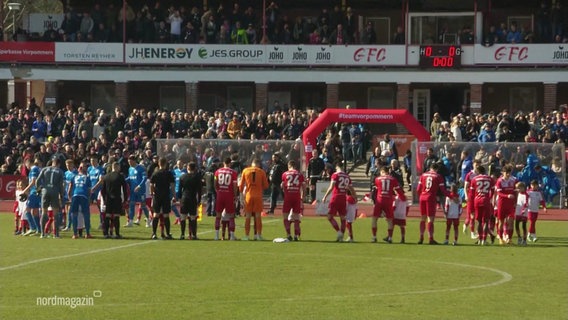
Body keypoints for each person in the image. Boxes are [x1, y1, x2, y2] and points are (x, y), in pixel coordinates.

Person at [322, 161, 357, 242]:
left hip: (335, 197)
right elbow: (351, 188)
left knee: (330, 216)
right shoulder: (347, 176)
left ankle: (339, 232)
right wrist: (355, 196)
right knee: (342, 218)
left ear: (336, 166)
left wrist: (325, 196)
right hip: (343, 198)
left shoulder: (335, 175)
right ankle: (341, 237)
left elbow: (331, 187)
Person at [416, 162, 450, 244]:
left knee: (423, 218)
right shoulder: (438, 176)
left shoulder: (423, 175)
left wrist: (419, 196)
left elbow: (418, 189)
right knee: (430, 219)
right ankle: (431, 238)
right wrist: (452, 195)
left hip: (422, 197)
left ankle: (421, 237)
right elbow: (443, 190)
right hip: (430, 197)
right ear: (437, 169)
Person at [372, 166, 406, 243]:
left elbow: (375, 190)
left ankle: (374, 237)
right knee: (390, 220)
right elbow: (398, 190)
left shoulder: (377, 179)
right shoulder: (393, 179)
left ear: (382, 171)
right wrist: (403, 198)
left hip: (379, 200)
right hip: (388, 200)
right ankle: (390, 238)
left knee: (374, 219)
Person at [239, 158, 269, 241]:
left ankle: (246, 236)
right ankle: (258, 235)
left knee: (248, 216)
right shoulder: (261, 172)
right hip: (258, 196)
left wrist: (242, 193)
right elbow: (266, 186)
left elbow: (241, 186)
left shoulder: (245, 170)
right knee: (258, 216)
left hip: (249, 196)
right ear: (258, 164)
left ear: (252, 163)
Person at [36, 157, 65, 238]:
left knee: (44, 212)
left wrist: (38, 190)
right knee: (56, 213)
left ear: (52, 162)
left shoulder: (44, 169)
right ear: (58, 164)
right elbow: (60, 185)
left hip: (45, 191)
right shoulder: (59, 171)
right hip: (54, 192)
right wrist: (61, 195)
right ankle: (56, 234)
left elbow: (38, 180)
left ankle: (42, 234)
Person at [100, 161, 129, 239]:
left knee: (107, 215)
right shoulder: (120, 176)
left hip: (108, 199)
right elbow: (124, 189)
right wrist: (125, 199)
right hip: (117, 198)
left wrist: (104, 199)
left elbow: (103, 190)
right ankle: (117, 233)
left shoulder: (106, 176)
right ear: (117, 167)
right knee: (116, 215)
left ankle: (106, 233)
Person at [150, 157, 175, 240]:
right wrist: (174, 195)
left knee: (156, 214)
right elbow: (172, 186)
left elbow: (151, 184)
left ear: (159, 163)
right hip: (166, 195)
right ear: (165, 164)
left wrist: (152, 193)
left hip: (157, 195)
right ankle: (167, 234)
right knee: (166, 215)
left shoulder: (155, 173)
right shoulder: (168, 173)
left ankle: (154, 233)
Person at [214, 157, 239, 241]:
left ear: (223, 163)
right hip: (229, 195)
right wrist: (235, 195)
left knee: (218, 216)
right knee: (231, 216)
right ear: (230, 163)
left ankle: (216, 236)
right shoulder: (233, 173)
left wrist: (218, 191)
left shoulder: (217, 172)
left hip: (220, 194)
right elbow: (235, 185)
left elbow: (215, 183)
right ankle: (231, 236)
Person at [469, 166, 494, 246]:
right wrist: (489, 197)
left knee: (479, 221)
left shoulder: (474, 179)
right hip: (486, 200)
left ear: (478, 171)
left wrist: (471, 206)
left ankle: (480, 239)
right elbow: (493, 190)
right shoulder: (490, 179)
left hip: (477, 200)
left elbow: (471, 194)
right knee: (486, 221)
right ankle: (484, 239)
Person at [281, 160, 305, 241]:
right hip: (296, 196)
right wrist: (303, 195)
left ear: (289, 166)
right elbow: (303, 186)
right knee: (296, 217)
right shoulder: (300, 174)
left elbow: (283, 186)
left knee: (285, 216)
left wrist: (285, 193)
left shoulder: (285, 174)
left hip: (288, 196)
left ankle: (288, 234)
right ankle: (295, 236)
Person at [178, 162, 203, 240]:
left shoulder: (182, 177)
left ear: (188, 168)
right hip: (192, 198)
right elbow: (199, 191)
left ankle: (182, 234)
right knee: (193, 217)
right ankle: (194, 235)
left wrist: (179, 198)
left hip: (184, 198)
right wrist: (199, 200)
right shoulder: (197, 177)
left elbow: (179, 190)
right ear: (194, 168)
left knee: (183, 217)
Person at [495, 165, 517, 245]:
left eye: (509, 173)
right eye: (506, 173)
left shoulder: (513, 180)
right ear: (503, 172)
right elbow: (499, 193)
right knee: (501, 222)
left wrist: (515, 201)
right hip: (502, 204)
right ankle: (500, 238)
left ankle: (509, 239)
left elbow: (515, 191)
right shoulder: (499, 181)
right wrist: (507, 196)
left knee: (511, 222)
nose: (508, 174)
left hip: (510, 204)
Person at [68, 164, 92, 239]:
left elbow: (70, 188)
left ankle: (75, 234)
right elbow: (89, 190)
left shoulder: (74, 177)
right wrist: (89, 198)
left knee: (74, 214)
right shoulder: (87, 178)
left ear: (79, 169)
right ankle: (87, 233)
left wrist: (69, 197)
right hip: (83, 196)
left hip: (75, 195)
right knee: (86, 214)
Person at [126, 155, 150, 227]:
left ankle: (148, 220)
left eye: (130, 162)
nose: (129, 163)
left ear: (134, 161)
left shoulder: (141, 168)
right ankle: (130, 221)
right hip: (133, 191)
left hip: (141, 190)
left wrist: (139, 186)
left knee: (143, 206)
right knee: (132, 204)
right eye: (128, 162)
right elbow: (129, 178)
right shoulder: (130, 169)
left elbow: (144, 178)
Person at [22, 159, 43, 236]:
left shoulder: (33, 169)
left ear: (28, 163)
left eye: (26, 165)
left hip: (34, 192)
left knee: (27, 210)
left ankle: (32, 227)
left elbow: (33, 181)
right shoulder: (38, 169)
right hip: (39, 192)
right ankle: (39, 229)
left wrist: (25, 190)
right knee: (35, 211)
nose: (26, 167)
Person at [462, 159, 480, 239]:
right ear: (473, 165)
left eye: (478, 165)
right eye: (476, 165)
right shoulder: (469, 174)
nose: (477, 166)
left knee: (475, 216)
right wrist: (466, 196)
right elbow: (465, 186)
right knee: (471, 216)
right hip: (471, 197)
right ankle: (472, 233)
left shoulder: (481, 175)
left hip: (479, 197)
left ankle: (466, 225)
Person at [514, 181, 528, 246]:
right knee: (516, 225)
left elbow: (526, 203)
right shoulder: (518, 193)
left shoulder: (526, 194)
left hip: (524, 212)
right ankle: (519, 237)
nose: (517, 190)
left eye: (518, 188)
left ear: (522, 188)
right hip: (518, 211)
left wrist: (523, 210)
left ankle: (524, 240)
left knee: (523, 226)